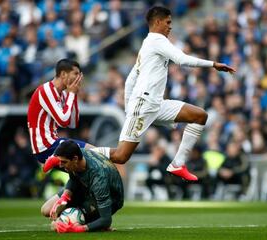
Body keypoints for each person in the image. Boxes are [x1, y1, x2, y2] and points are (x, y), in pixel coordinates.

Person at [97, 6, 236, 181]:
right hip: (144, 104)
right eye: (168, 22)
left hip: (156, 104)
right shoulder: (157, 40)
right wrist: (213, 64)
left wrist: (127, 108)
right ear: (157, 22)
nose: (170, 26)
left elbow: (130, 80)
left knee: (199, 116)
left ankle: (178, 164)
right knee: (120, 156)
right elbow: (182, 59)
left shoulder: (148, 45)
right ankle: (79, 150)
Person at [41, 140, 124, 233]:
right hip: (86, 186)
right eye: (60, 161)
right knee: (46, 210)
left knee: (65, 222)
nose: (60, 165)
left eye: (63, 162)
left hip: (110, 197)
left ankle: (87, 217)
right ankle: (83, 216)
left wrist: (77, 229)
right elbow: (73, 178)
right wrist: (65, 196)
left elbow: (106, 220)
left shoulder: (98, 178)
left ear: (75, 159)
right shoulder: (77, 155)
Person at [27, 58, 94, 165]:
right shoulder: (46, 90)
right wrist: (71, 93)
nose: (79, 78)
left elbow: (72, 124)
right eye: (76, 74)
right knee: (95, 153)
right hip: (46, 147)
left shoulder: (62, 94)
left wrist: (74, 94)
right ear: (63, 74)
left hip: (53, 143)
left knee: (82, 170)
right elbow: (62, 121)